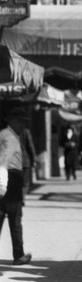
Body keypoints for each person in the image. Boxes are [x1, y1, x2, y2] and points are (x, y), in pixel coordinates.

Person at [0, 107, 32, 265]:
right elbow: (4, 159)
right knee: (15, 218)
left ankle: (19, 254)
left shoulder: (6, 135)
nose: (23, 126)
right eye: (20, 122)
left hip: (6, 177)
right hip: (9, 178)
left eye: (24, 123)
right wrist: (2, 182)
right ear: (12, 121)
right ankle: (18, 255)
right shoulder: (10, 137)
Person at [20, 125, 37, 200]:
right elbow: (30, 146)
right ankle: (21, 198)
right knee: (25, 183)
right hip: (24, 161)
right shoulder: (26, 131)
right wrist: (34, 160)